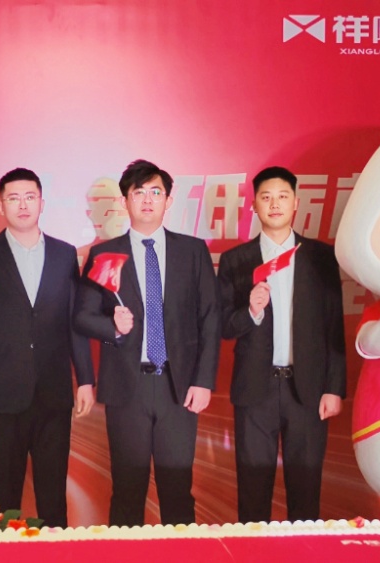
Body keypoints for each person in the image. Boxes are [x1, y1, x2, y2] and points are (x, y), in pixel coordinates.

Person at [74, 159, 220, 526]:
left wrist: (203, 381)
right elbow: (82, 316)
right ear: (124, 201)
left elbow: (210, 318)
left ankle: (181, 552)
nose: (148, 200)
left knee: (177, 489)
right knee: (127, 488)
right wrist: (113, 326)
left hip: (179, 386)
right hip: (128, 387)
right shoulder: (104, 254)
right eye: (138, 193)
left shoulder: (193, 251)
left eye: (156, 192)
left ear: (169, 200)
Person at [0, 167, 94, 528]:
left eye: (30, 197)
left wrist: (85, 379)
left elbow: (75, 321)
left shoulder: (64, 254)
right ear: (1, 206)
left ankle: (57, 550)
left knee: (52, 492)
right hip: (4, 393)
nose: (22, 205)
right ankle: (2, 550)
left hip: (54, 391)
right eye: (13, 198)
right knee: (4, 493)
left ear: (42, 203)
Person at [217, 166, 346, 523]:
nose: (274, 204)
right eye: (266, 197)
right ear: (254, 206)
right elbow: (224, 326)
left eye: (282, 197)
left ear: (296, 203)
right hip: (254, 390)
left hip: (306, 390)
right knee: (253, 492)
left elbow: (333, 326)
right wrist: (251, 311)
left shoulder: (321, 258)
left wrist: (333, 388)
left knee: (305, 493)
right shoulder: (236, 261)